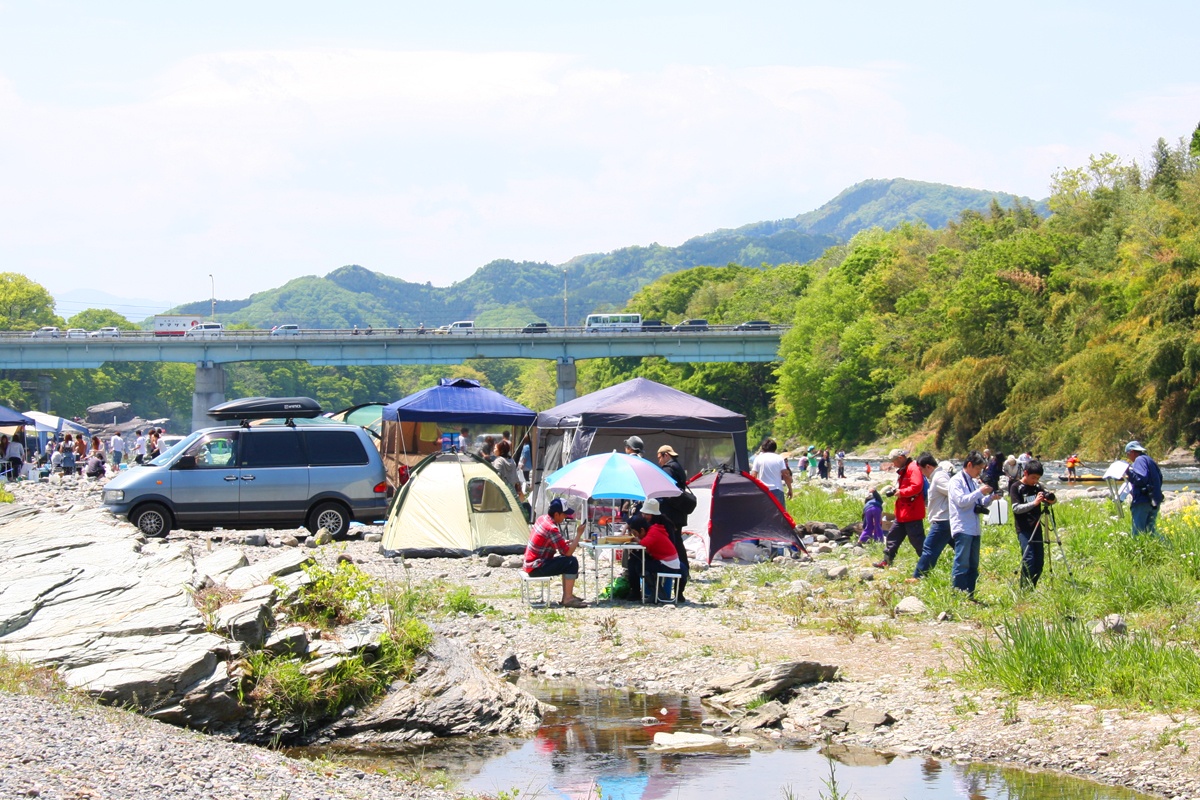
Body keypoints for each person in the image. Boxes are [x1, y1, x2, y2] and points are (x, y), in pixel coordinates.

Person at [949, 450, 997, 598]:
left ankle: (970, 594)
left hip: (974, 528)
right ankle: (958, 594)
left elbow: (977, 502)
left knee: (973, 564)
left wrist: (990, 498)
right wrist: (980, 491)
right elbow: (962, 501)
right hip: (963, 527)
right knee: (962, 562)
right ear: (969, 465)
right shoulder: (956, 481)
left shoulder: (972, 481)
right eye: (978, 469)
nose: (979, 472)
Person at [523, 498, 587, 608]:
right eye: (564, 514)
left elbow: (550, 542)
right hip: (536, 567)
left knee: (565, 561)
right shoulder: (551, 528)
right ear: (557, 514)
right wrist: (578, 535)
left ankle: (568, 595)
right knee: (571, 562)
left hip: (530, 564)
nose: (565, 517)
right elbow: (567, 553)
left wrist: (565, 542)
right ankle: (567, 599)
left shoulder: (542, 519)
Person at [874, 448, 926, 569]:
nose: (894, 464)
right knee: (892, 537)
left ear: (901, 458)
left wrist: (901, 492)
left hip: (912, 513)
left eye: (894, 461)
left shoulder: (913, 468)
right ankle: (886, 561)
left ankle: (927, 564)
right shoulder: (904, 469)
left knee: (918, 541)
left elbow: (917, 487)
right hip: (903, 513)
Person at [1009, 459, 1056, 588]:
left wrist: (1050, 499)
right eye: (1033, 477)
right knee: (1028, 559)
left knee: (1039, 561)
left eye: (1038, 478)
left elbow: (1051, 499)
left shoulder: (1037, 487)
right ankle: (1024, 588)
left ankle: (1032, 587)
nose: (1035, 481)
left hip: (1037, 527)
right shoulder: (1016, 487)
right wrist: (1034, 503)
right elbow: (1016, 508)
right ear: (1025, 473)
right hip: (1024, 528)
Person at [624, 511, 682, 603]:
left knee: (640, 566)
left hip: (668, 565)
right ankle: (654, 591)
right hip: (668, 562)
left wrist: (637, 539)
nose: (635, 535)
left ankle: (656, 592)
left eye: (635, 533)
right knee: (638, 563)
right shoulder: (654, 529)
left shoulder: (653, 533)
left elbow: (644, 543)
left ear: (642, 530)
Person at [637, 497, 688, 602]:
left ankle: (659, 593)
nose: (644, 516)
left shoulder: (659, 526)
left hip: (666, 559)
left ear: (654, 514)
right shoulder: (654, 525)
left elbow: (645, 543)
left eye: (647, 514)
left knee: (640, 566)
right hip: (667, 558)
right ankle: (656, 592)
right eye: (644, 513)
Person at [912, 455, 952, 579]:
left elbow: (953, 492)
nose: (922, 474)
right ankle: (968, 571)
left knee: (929, 548)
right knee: (959, 548)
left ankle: (918, 577)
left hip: (942, 520)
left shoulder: (939, 478)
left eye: (922, 470)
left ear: (928, 467)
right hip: (947, 519)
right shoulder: (940, 476)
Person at [1125, 441, 1164, 537]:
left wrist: (1127, 472)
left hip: (1143, 502)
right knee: (1150, 532)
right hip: (1154, 500)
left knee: (1137, 533)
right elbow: (1160, 478)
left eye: (1127, 454)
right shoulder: (1149, 460)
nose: (1128, 457)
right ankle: (1164, 548)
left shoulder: (1139, 460)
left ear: (1133, 451)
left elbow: (1140, 478)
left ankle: (1137, 551)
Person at [750, 438, 792, 506]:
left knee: (765, 514)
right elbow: (785, 475)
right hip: (777, 489)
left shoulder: (758, 458)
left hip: (763, 490)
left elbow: (753, 476)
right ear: (775, 448)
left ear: (763, 448)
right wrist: (790, 489)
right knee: (779, 514)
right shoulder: (779, 458)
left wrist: (753, 491)